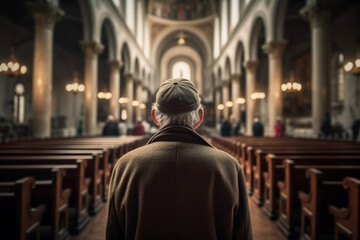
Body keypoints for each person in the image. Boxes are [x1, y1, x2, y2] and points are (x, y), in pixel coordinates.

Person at [106, 78, 252, 240]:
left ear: (154, 116)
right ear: (200, 117)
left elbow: (114, 233)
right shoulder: (229, 166)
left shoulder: (125, 166)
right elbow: (242, 234)